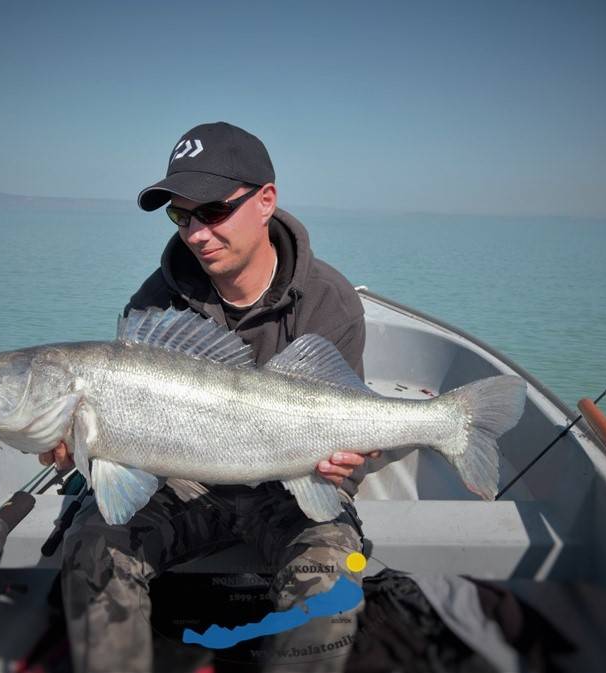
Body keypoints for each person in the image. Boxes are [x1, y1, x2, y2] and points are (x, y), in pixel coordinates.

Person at [40, 122, 378, 672]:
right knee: (92, 549)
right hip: (183, 484)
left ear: (265, 200)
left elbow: (354, 426)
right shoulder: (153, 306)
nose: (196, 234)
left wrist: (354, 461)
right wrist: (84, 448)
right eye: (182, 215)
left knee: (333, 582)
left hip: (290, 487)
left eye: (213, 211)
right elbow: (126, 453)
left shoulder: (330, 302)